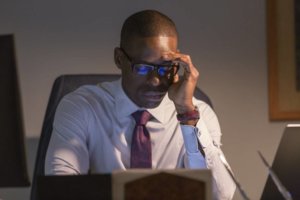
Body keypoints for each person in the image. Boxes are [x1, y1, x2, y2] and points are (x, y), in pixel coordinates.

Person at [45, 10, 236, 199]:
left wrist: (186, 113)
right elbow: (60, 190)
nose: (155, 81)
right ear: (119, 59)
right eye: (143, 68)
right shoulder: (82, 107)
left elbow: (220, 196)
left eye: (165, 67)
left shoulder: (197, 112)